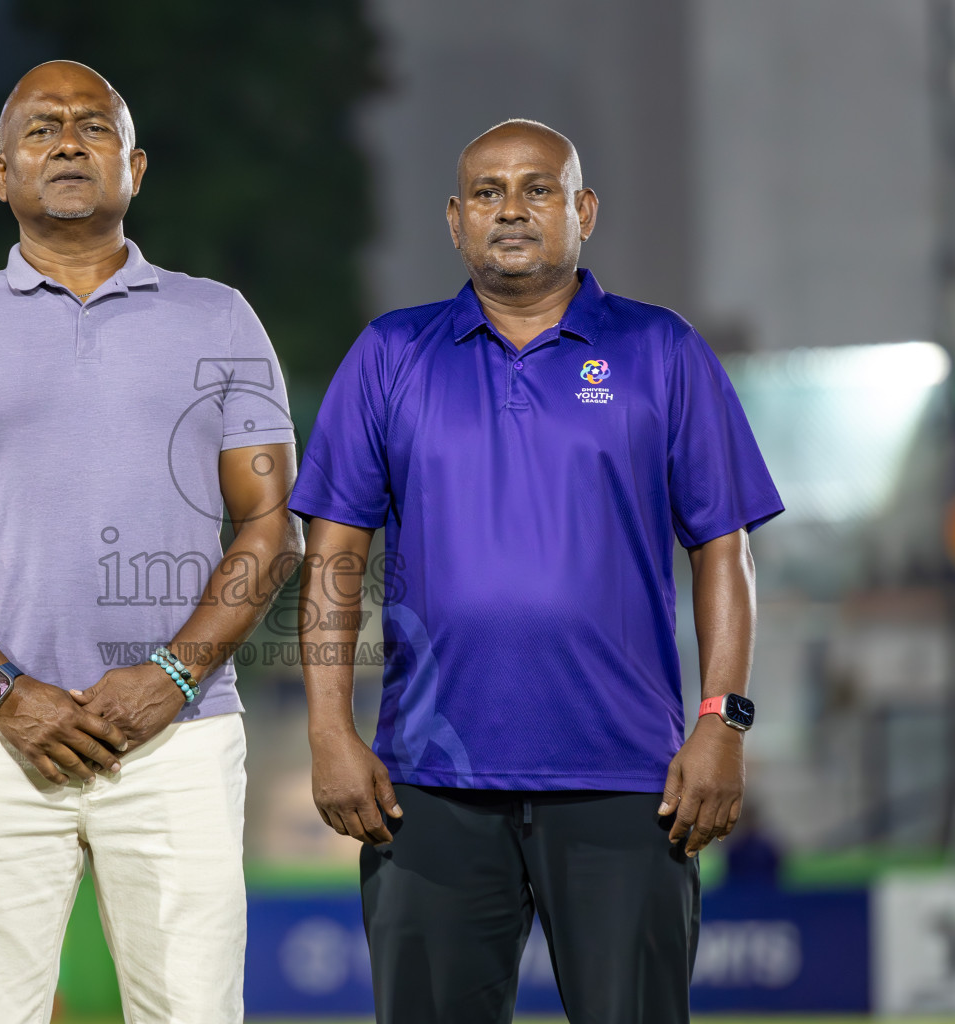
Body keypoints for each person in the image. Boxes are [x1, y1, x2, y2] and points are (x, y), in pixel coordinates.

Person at [289, 119, 784, 1023]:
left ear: (582, 209)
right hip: (428, 786)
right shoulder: (391, 355)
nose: (510, 209)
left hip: (629, 781)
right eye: (487, 192)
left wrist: (723, 722)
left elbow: (724, 547)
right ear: (454, 219)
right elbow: (334, 558)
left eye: (538, 188)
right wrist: (330, 732)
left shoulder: (661, 351)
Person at [0, 60, 301, 1024]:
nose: (67, 141)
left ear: (135, 166)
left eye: (94, 127)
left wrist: (171, 679)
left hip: (177, 739)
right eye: (42, 128)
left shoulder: (218, 317)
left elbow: (273, 526)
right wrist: (5, 694)